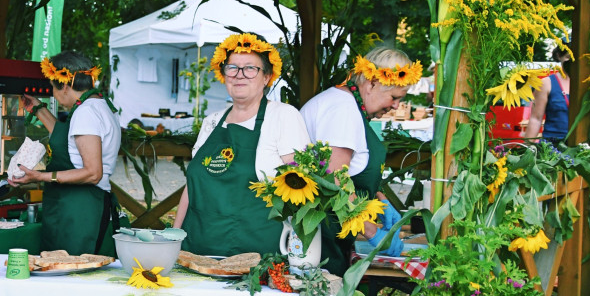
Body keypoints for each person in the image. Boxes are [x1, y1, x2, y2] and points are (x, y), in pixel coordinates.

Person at [172, 33, 310, 257]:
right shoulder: (211, 122)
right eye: (232, 68)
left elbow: (303, 190)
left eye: (250, 68)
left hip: (257, 257)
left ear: (266, 77)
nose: (239, 75)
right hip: (195, 253)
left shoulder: (283, 117)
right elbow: (192, 187)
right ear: (223, 74)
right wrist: (174, 236)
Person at [300, 47, 420, 272]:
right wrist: (373, 233)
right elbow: (335, 181)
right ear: (372, 83)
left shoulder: (347, 105)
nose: (395, 106)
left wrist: (380, 200)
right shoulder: (342, 110)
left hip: (333, 235)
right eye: (394, 97)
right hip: (320, 240)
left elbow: (351, 168)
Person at [10, 51, 122, 254]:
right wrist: (38, 109)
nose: (53, 94)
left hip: (79, 211)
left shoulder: (85, 113)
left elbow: (92, 172)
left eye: (53, 87)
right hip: (83, 207)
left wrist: (40, 176)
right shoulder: (99, 105)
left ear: (65, 85)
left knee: (71, 273)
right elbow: (68, 140)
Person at [524, 47, 572, 144]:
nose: (572, 62)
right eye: (568, 57)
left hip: (582, 148)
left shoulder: (588, 83)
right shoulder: (546, 83)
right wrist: (526, 149)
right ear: (559, 56)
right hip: (554, 147)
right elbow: (536, 119)